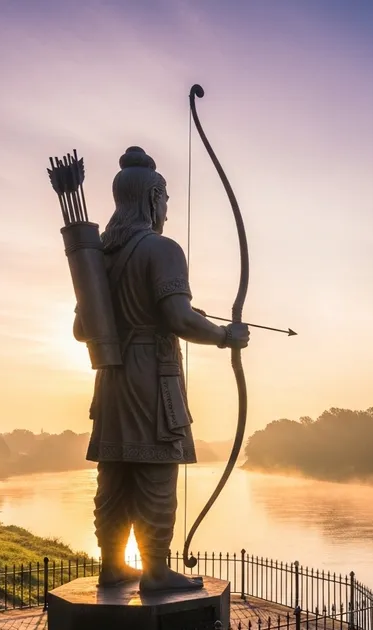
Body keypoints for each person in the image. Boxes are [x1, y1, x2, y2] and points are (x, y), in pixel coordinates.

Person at [74, 146, 249, 592]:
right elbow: (179, 318)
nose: (167, 209)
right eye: (165, 199)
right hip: (152, 378)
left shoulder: (101, 258)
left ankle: (112, 566)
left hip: (110, 378)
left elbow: (81, 328)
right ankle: (155, 570)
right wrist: (224, 336)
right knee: (156, 474)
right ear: (152, 198)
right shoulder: (162, 249)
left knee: (114, 476)